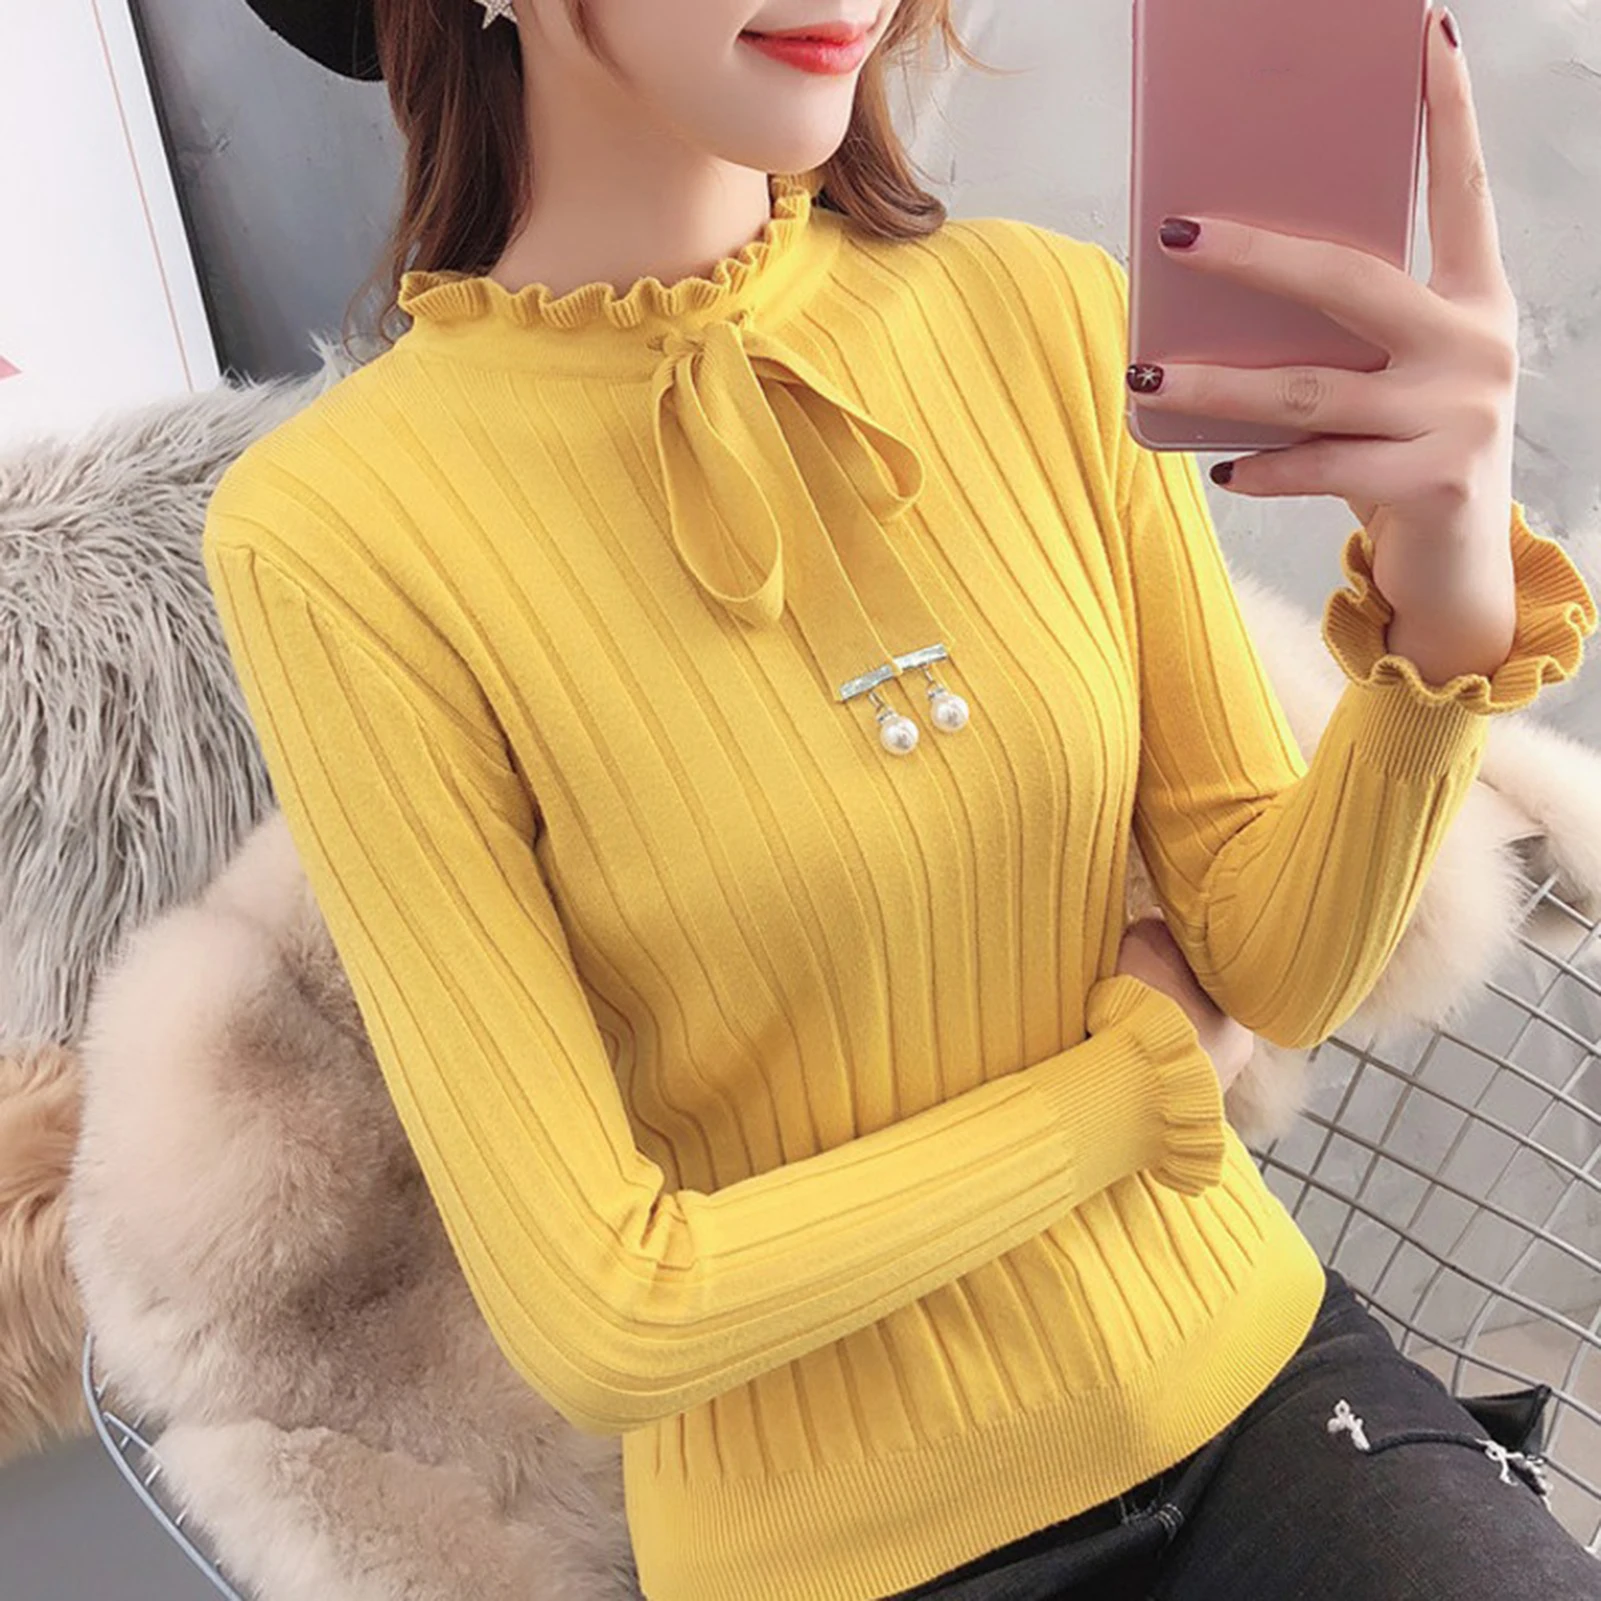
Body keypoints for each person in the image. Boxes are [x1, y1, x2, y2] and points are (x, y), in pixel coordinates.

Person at [206, 2, 1598, 1598]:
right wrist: (1127, 1092)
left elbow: (1274, 972)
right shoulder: (331, 535)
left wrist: (1442, 617)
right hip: (833, 1563)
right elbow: (608, 1311)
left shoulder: (1047, 315)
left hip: (1259, 1396)